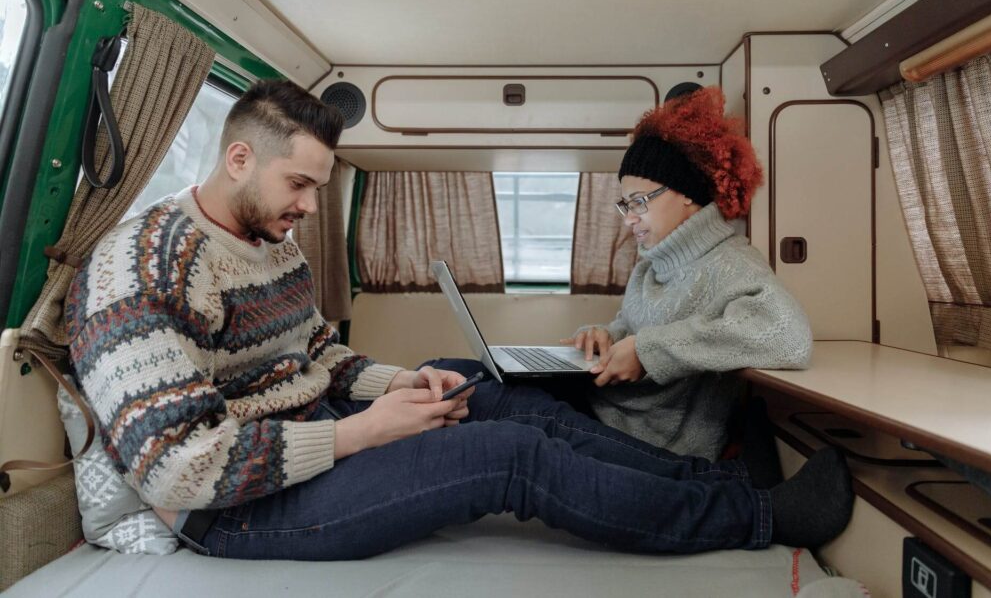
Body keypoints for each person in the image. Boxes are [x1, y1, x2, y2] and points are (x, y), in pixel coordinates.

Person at [65, 79, 851, 561]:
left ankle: (706, 479)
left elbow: (320, 359)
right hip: (238, 506)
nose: (309, 207)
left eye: (318, 188)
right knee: (512, 457)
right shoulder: (137, 270)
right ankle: (754, 515)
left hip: (309, 430)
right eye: (299, 184)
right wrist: (364, 432)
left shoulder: (275, 245)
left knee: (491, 393)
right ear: (238, 159)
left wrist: (405, 384)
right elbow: (180, 468)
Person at [563, 87, 813, 466]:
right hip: (611, 412)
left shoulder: (732, 263)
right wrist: (606, 336)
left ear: (687, 194)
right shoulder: (650, 263)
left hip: (654, 440)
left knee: (506, 408)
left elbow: (789, 337)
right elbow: (632, 328)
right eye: (625, 204)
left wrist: (649, 351)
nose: (629, 218)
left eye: (639, 202)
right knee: (491, 388)